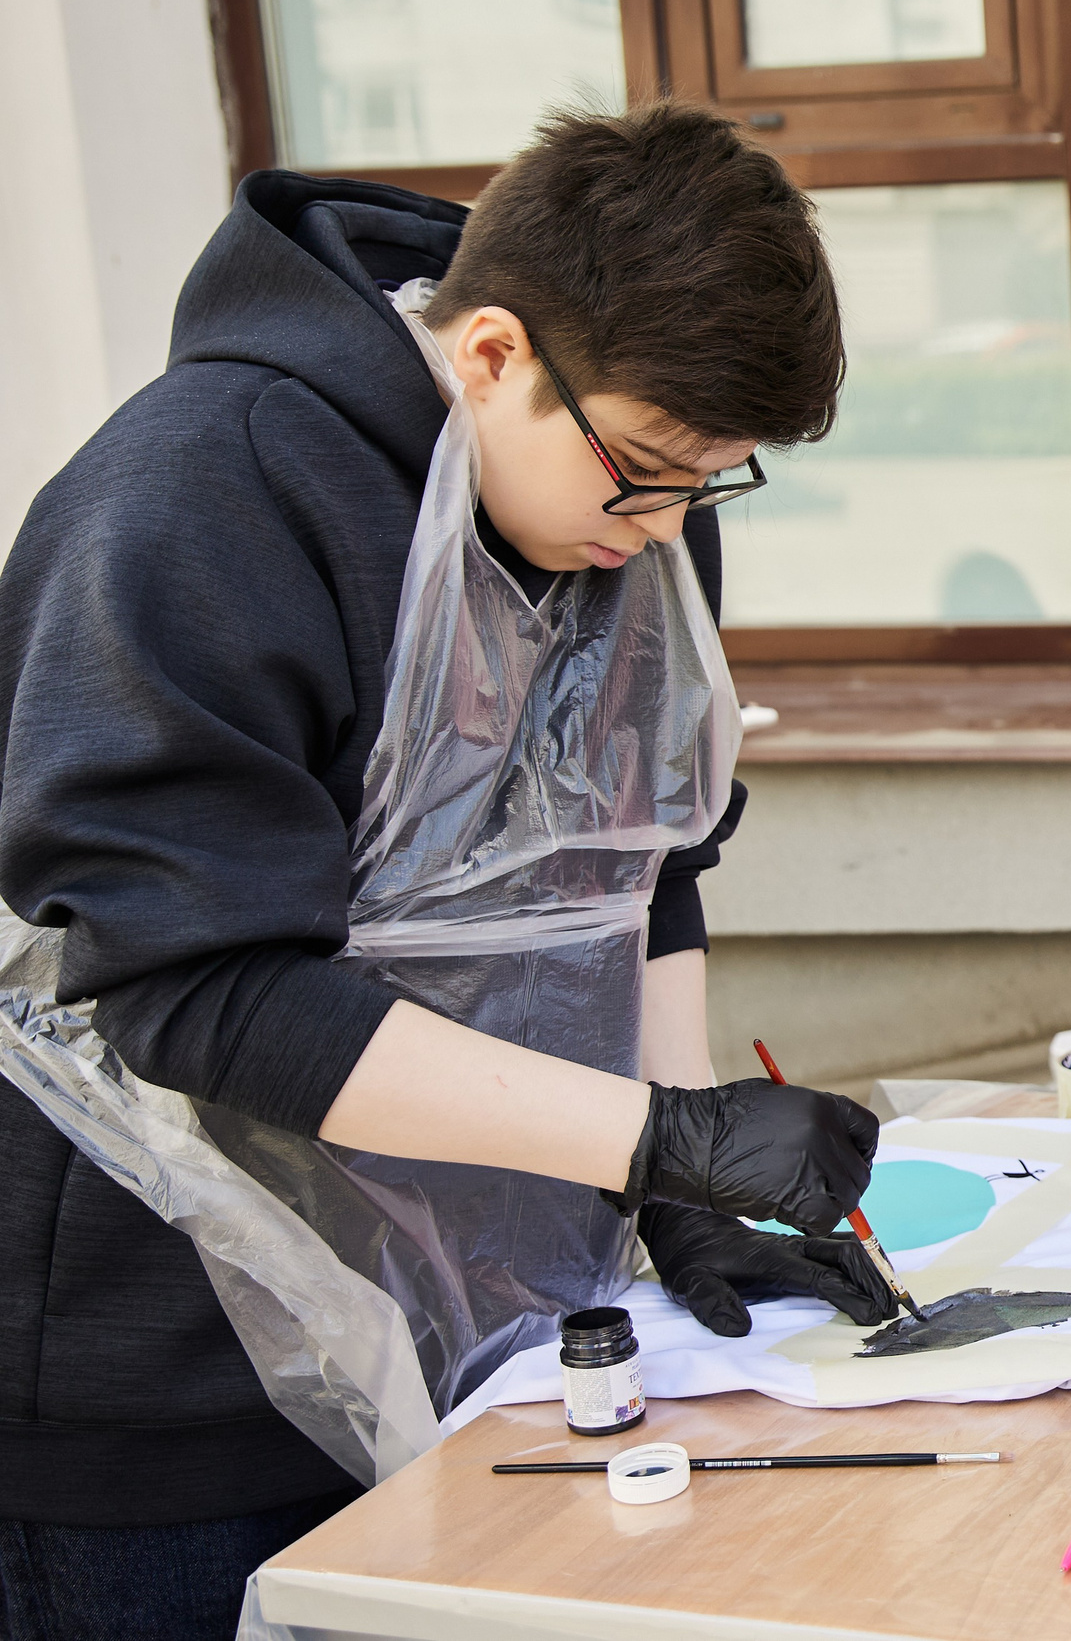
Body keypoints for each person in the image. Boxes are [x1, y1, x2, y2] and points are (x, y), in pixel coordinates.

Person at [0, 105, 894, 1640]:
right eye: (654, 472)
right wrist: (659, 1134)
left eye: (715, 483)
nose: (674, 526)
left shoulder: (624, 496)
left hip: (498, 1301)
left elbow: (642, 852)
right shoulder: (192, 501)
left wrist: (673, 1185)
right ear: (491, 355)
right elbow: (205, 992)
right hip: (166, 1364)